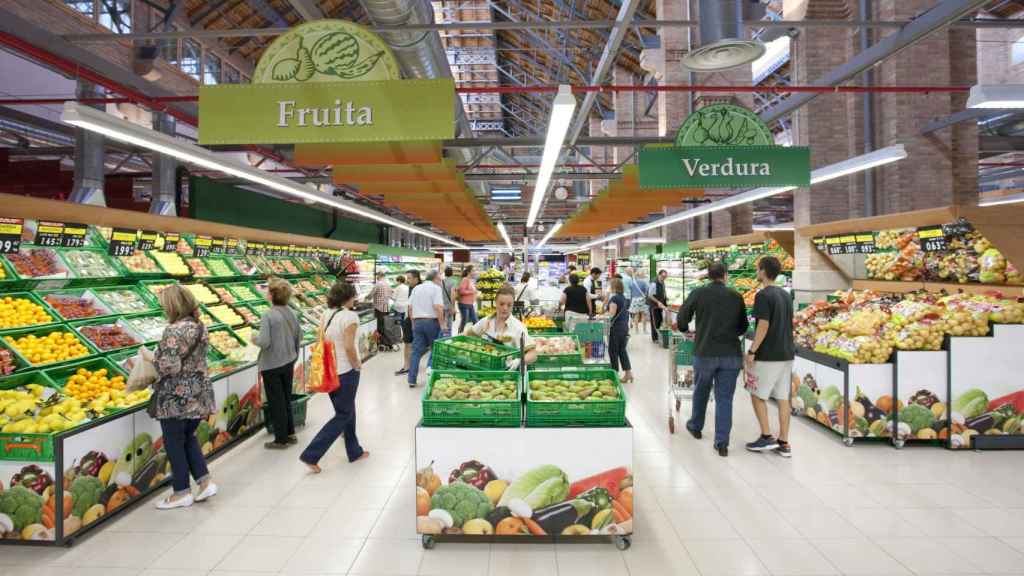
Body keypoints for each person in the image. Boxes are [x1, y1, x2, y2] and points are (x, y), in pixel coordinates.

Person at [151, 285, 217, 509]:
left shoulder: (174, 330)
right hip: (198, 392)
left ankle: (181, 492)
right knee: (188, 438)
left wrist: (149, 361)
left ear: (172, 305)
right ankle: (204, 481)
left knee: (174, 444)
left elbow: (170, 365)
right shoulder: (199, 326)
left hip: (176, 397)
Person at [676, 261, 749, 457]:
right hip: (731, 355)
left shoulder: (699, 293)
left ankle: (696, 426)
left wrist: (686, 330)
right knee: (725, 398)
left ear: (708, 275)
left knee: (701, 390)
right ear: (725, 275)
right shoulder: (736, 296)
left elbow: (682, 317)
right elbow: (743, 327)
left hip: (705, 352)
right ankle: (722, 443)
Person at [300, 282, 368, 472]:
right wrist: (357, 365)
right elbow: (348, 347)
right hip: (346, 371)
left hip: (330, 370)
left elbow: (319, 339)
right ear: (348, 297)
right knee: (343, 414)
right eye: (353, 295)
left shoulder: (326, 313)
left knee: (347, 409)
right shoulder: (350, 317)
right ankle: (311, 454)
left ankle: (354, 450)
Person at [745, 256, 795, 457]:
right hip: (786, 353)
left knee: (756, 394)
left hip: (768, 355)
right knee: (783, 398)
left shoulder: (763, 295)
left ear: (764, 271)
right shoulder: (785, 294)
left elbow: (763, 325)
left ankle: (766, 437)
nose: (757, 272)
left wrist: (752, 350)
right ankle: (784, 442)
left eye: (758, 269)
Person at [254, 278, 302, 450]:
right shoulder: (291, 311)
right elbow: (299, 336)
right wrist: (294, 354)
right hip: (288, 361)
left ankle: (280, 439)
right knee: (286, 397)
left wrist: (254, 338)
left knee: (276, 402)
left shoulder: (268, 315)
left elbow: (264, 342)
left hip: (272, 364)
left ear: (272, 295)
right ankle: (290, 433)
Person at [464, 284, 538, 366]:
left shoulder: (518, 328)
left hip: (507, 374)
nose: (505, 308)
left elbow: (533, 354)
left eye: (509, 305)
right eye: (501, 304)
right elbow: (468, 334)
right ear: (495, 302)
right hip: (484, 369)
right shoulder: (485, 321)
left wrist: (519, 361)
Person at [408, 270, 445, 388]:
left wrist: (413, 323)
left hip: (417, 321)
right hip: (431, 322)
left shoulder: (416, 288)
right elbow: (438, 307)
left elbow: (410, 307)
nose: (440, 282)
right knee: (435, 349)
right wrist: (443, 324)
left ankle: (411, 379)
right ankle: (429, 377)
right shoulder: (436, 289)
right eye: (439, 279)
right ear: (434, 278)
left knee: (416, 351)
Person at [605, 278, 634, 383]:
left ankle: (614, 375)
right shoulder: (624, 298)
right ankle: (628, 374)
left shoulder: (614, 299)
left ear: (613, 287)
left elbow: (611, 314)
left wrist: (601, 316)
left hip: (616, 328)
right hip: (624, 327)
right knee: (622, 350)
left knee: (613, 351)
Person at [395, 271, 419, 377]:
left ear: (416, 279)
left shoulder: (417, 289)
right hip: (411, 318)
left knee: (409, 344)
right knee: (410, 344)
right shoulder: (411, 288)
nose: (407, 280)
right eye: (407, 278)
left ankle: (407, 367)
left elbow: (412, 306)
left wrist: (412, 321)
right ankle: (409, 365)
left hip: (412, 319)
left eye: (409, 278)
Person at [367, 271, 393, 351]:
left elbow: (371, 295)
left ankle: (385, 343)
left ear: (379, 275)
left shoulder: (378, 284)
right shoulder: (387, 284)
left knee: (380, 327)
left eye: (376, 275)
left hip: (379, 308)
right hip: (386, 307)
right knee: (385, 326)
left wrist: (366, 298)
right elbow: (391, 293)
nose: (376, 277)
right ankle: (387, 343)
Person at [648, 270, 669, 343]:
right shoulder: (654, 283)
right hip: (654, 306)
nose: (664, 278)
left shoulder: (662, 282)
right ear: (659, 275)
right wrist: (658, 302)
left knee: (660, 320)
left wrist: (665, 298)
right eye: (663, 276)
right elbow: (650, 295)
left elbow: (663, 291)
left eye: (665, 277)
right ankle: (655, 338)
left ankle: (659, 336)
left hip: (661, 305)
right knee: (655, 321)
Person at [457, 265, 478, 334]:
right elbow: (461, 291)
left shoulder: (470, 280)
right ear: (469, 272)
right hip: (464, 304)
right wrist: (472, 292)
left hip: (470, 304)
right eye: (473, 271)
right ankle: (460, 334)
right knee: (464, 320)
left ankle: (476, 334)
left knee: (475, 320)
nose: (475, 272)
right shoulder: (465, 279)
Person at [442, 266, 458, 335]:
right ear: (452, 273)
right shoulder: (453, 282)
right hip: (449, 307)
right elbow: (453, 295)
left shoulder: (441, 282)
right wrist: (453, 306)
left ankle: (442, 338)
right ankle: (447, 339)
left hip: (441, 306)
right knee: (449, 325)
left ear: (445, 273)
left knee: (443, 324)